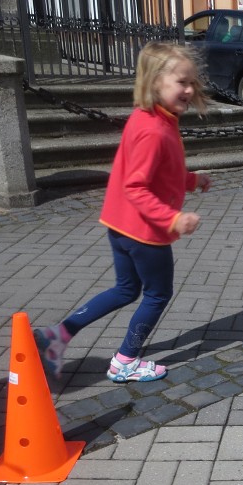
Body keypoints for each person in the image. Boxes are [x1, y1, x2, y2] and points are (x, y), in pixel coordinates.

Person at [32, 42, 211, 383]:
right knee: (158, 294)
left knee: (126, 290)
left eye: (192, 82)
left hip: (120, 225)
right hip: (145, 233)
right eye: (181, 82)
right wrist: (172, 218)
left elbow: (160, 172)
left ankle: (58, 335)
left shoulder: (149, 118)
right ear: (155, 82)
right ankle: (124, 361)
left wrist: (191, 180)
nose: (189, 89)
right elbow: (136, 186)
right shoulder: (155, 131)